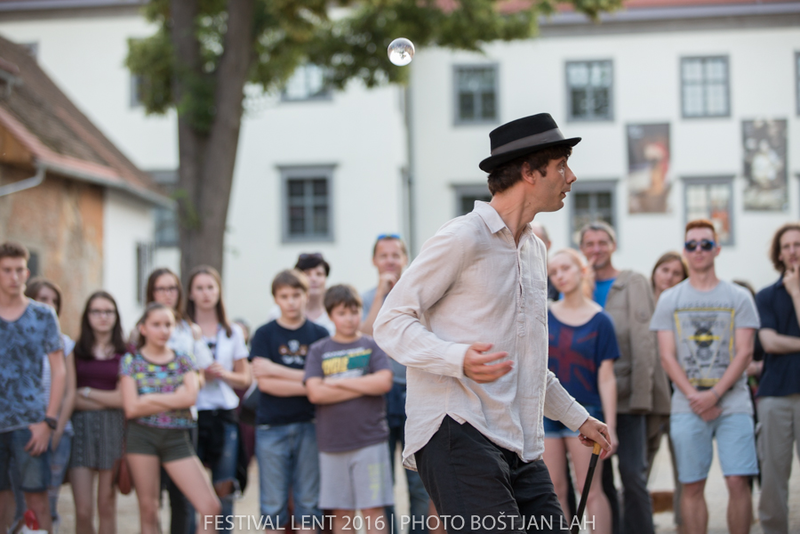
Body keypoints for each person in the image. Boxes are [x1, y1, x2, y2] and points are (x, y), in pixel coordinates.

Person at [374, 113, 611, 534]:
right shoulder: (462, 236)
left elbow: (527, 362)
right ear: (529, 172)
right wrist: (457, 358)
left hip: (519, 440)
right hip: (455, 429)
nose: (571, 177)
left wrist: (577, 417)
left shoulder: (535, 251)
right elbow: (390, 322)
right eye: (561, 165)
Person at [650, 219, 760, 534]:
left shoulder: (739, 296)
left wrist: (713, 395)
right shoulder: (670, 299)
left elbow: (745, 352)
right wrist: (695, 396)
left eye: (706, 244)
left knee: (738, 480)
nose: (698, 250)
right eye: (692, 244)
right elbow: (667, 356)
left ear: (717, 249)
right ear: (685, 251)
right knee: (692, 484)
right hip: (687, 405)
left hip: (733, 402)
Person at [579, 221, 664, 534]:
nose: (596, 249)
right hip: (590, 402)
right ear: (582, 249)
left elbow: (644, 342)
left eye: (602, 242)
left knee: (632, 474)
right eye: (590, 243)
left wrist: (642, 396)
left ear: (613, 246)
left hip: (627, 397)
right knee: (600, 480)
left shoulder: (633, 283)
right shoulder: (577, 284)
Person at [120, 303, 221, 534]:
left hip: (177, 439)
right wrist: (174, 397)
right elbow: (131, 408)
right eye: (156, 324)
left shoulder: (184, 359)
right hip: (142, 438)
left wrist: (149, 399)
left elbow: (190, 397)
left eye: (168, 324)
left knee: (211, 508)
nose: (163, 330)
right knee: (149, 511)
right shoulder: (131, 361)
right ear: (143, 328)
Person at [304, 285, 394, 534]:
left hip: (370, 441)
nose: (349, 318)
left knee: (373, 510)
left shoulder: (371, 345)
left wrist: (336, 383)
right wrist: (363, 384)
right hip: (332, 444)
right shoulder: (319, 350)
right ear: (331, 315)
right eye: (342, 313)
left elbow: (383, 382)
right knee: (342, 513)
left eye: (354, 312)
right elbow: (315, 393)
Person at [542, 249, 619, 534]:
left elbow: (607, 378)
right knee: (554, 489)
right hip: (547, 414)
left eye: (566, 268)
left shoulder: (601, 320)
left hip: (587, 412)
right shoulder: (544, 315)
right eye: (554, 272)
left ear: (582, 270)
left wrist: (611, 427)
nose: (560, 276)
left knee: (589, 489)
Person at [359, 235, 431, 534]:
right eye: (383, 255)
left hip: (415, 392)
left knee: (419, 479)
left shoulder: (419, 294)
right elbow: (364, 340)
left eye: (395, 255)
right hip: (379, 396)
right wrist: (380, 294)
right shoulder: (365, 299)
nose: (389, 260)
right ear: (374, 261)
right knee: (382, 479)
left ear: (405, 259)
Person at [250, 270, 329, 534]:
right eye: (284, 296)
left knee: (309, 503)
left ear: (306, 296)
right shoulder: (264, 334)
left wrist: (276, 369)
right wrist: (309, 382)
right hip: (271, 427)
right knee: (273, 505)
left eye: (296, 295)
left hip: (310, 425)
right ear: (276, 298)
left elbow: (324, 380)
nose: (291, 301)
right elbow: (265, 384)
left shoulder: (319, 334)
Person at [141, 267, 213, 534]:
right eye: (161, 288)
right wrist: (174, 391)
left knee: (182, 497)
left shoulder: (189, 331)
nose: (167, 294)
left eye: (172, 288)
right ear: (151, 292)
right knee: (151, 500)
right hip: (148, 422)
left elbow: (201, 374)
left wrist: (187, 386)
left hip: (183, 420)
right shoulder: (139, 330)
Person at [0, 242, 65, 534]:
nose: (14, 277)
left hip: (31, 423)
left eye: (19, 270)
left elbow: (59, 370)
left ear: (27, 273)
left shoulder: (43, 315)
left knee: (38, 501)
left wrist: (48, 421)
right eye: (6, 270)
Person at [186, 266, 251, 532]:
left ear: (219, 291)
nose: (205, 293)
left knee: (224, 486)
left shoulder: (231, 331)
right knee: (190, 489)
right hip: (192, 413)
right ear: (190, 293)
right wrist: (200, 375)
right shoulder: (183, 329)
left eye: (210, 287)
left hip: (223, 414)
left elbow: (245, 378)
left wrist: (223, 374)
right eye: (199, 288)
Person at [11, 279, 76, 534]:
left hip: (52, 428)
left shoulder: (64, 342)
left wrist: (53, 426)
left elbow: (68, 389)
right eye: (43, 299)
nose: (49, 305)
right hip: (20, 427)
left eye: (54, 301)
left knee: (47, 502)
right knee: (17, 503)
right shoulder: (15, 332)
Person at [754, 222, 800, 534]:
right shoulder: (766, 296)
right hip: (775, 395)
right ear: (779, 254)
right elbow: (769, 342)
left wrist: (796, 292)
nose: (793, 251)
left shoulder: (790, 293)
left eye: (798, 244)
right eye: (787, 246)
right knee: (772, 475)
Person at [69, 291, 128, 534]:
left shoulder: (126, 352)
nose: (103, 316)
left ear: (116, 316)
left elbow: (123, 399)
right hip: (80, 431)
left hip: (113, 430)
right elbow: (70, 399)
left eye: (108, 311)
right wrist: (108, 399)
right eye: (96, 311)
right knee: (83, 510)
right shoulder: (75, 351)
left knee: (106, 505)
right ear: (87, 316)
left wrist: (86, 392)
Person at [649, 252, 688, 527]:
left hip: (680, 399)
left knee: (685, 470)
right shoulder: (642, 305)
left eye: (676, 273)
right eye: (665, 270)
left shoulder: (685, 308)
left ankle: (685, 524)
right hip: (649, 402)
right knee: (641, 469)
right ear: (654, 271)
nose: (669, 277)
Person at [267, 253, 336, 335]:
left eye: (319, 274)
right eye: (307, 274)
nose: (313, 279)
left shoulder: (338, 312)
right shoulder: (277, 314)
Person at [530, 222, 560, 301]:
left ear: (548, 244)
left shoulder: (561, 275)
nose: (531, 248)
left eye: (537, 243)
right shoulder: (519, 278)